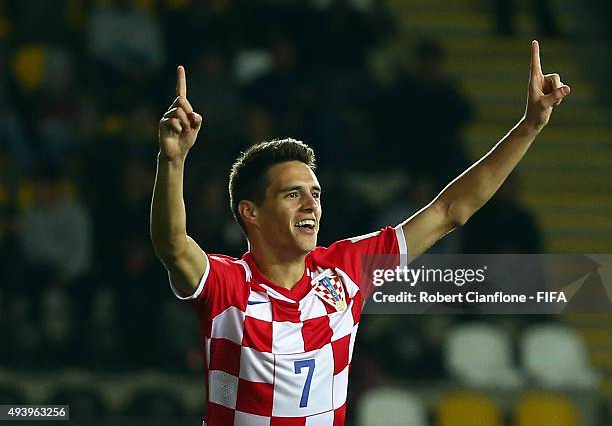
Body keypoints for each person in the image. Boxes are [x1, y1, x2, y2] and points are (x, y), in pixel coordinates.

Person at [150, 40, 570, 425]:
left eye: (314, 193)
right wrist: (172, 161)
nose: (311, 204)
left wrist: (529, 126)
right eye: (292, 194)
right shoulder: (227, 286)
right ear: (251, 212)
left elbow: (449, 211)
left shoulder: (345, 271)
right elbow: (172, 245)